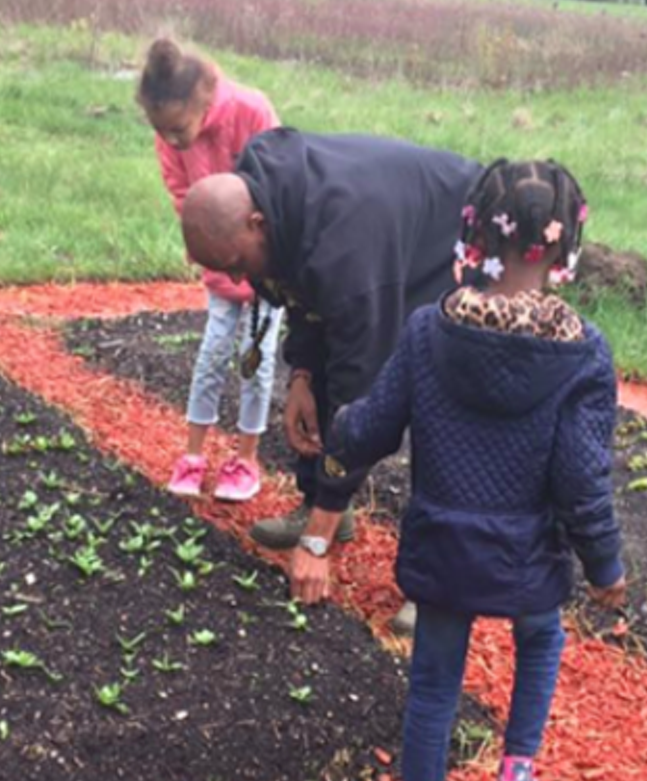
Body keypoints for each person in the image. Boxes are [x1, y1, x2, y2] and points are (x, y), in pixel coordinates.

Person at [325, 159, 628, 781]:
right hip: (528, 557)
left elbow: (371, 428)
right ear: (563, 247)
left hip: (443, 549)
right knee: (541, 638)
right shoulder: (583, 354)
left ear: (474, 233)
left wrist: (332, 433)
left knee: (434, 679)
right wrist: (605, 564)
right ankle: (516, 775)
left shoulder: (431, 330)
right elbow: (581, 476)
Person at [180, 130, 482, 628]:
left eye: (235, 265)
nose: (236, 280)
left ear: (256, 224)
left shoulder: (346, 246)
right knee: (322, 386)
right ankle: (328, 509)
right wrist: (300, 373)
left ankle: (436, 579)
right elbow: (303, 286)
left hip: (454, 245)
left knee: (437, 402)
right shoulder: (267, 190)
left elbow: (360, 385)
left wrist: (313, 543)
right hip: (380, 242)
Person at [137, 36, 283, 502]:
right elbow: (181, 191)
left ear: (201, 101)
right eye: (165, 134)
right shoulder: (169, 136)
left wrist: (263, 248)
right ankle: (194, 455)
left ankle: (246, 460)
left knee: (256, 361)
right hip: (219, 258)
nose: (175, 141)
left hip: (264, 258)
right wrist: (198, 235)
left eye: (180, 129)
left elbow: (280, 179)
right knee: (213, 350)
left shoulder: (251, 110)